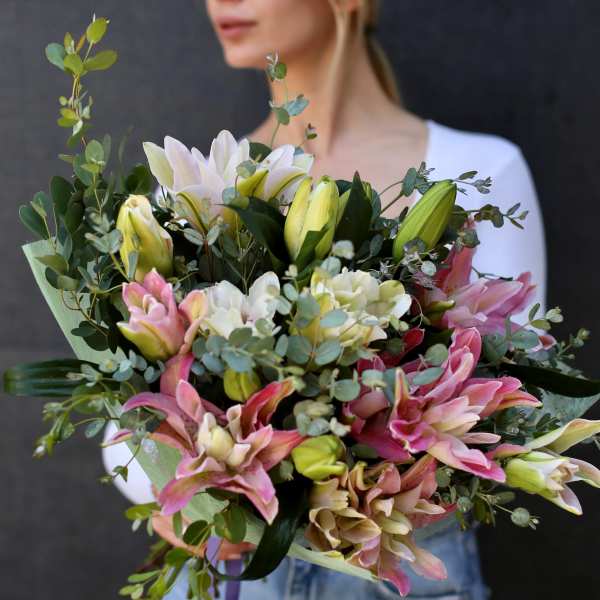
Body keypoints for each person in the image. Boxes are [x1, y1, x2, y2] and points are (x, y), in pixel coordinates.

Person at [103, 1, 547, 598]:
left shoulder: (481, 169)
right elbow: (126, 423)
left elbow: (516, 396)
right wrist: (191, 499)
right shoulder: (193, 189)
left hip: (397, 574)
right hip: (235, 575)